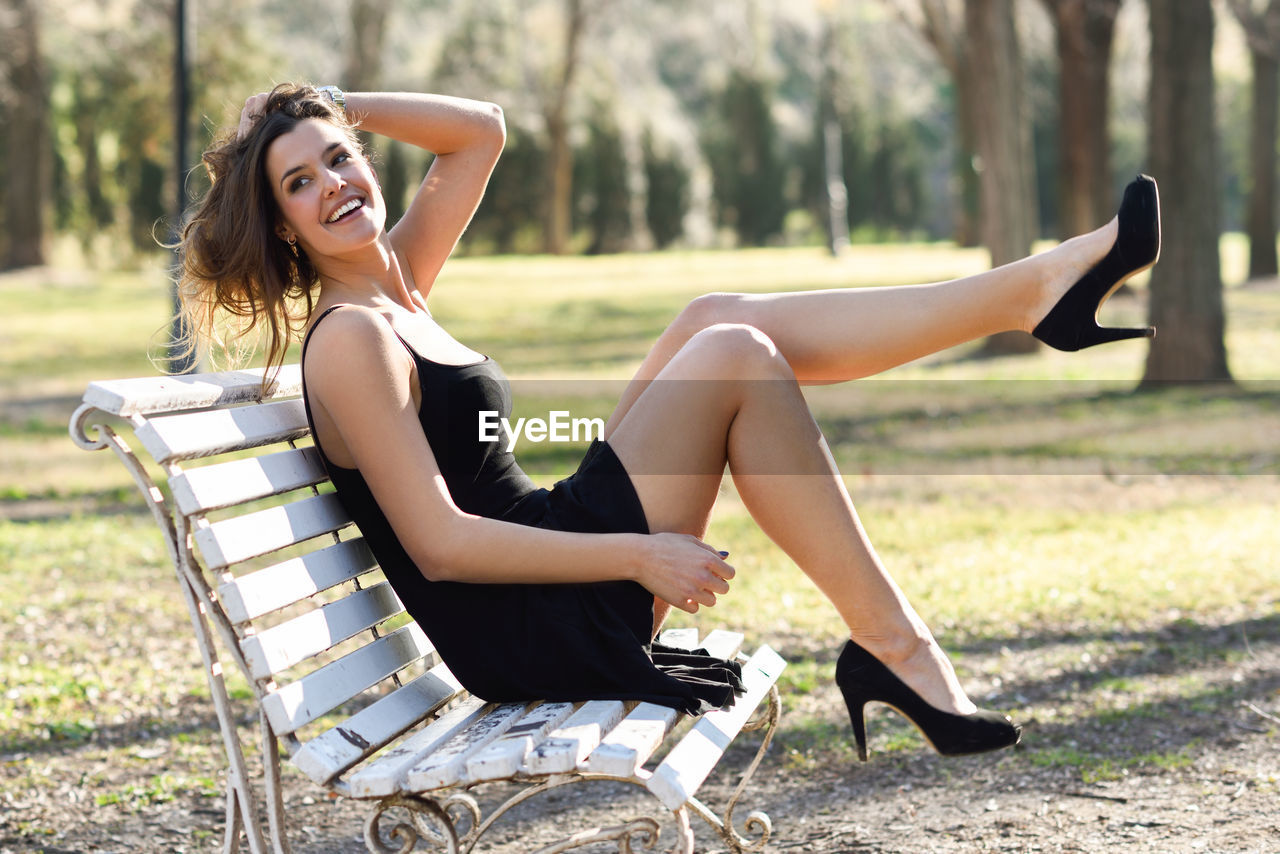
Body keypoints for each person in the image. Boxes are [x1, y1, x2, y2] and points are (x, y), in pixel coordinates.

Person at [179, 83, 1160, 760]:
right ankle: (897, 643)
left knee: (709, 320)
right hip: (533, 621)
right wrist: (638, 555)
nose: (333, 184)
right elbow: (438, 544)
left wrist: (316, 103)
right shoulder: (352, 337)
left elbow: (480, 131)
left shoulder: (396, 282)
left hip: (561, 555)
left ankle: (1027, 295)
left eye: (339, 158)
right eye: (298, 184)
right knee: (729, 353)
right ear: (281, 227)